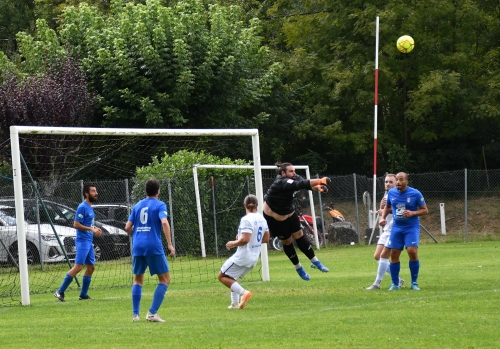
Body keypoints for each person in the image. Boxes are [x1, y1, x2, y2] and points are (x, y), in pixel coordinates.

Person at [263, 162, 330, 281]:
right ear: (283, 173)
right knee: (287, 241)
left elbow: (307, 185)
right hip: (276, 219)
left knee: (300, 235)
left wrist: (319, 188)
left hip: (290, 213)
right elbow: (301, 184)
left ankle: (315, 261)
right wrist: (320, 180)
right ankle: (298, 267)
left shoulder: (294, 178)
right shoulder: (281, 182)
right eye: (291, 171)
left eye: (294, 171)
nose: (294, 173)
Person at [125, 179, 175, 322]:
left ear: (146, 191)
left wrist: (136, 236)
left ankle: (135, 315)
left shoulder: (138, 205)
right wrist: (170, 245)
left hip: (138, 246)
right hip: (153, 246)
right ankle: (152, 313)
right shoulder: (160, 205)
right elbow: (164, 222)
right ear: (158, 191)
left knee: (138, 279)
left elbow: (127, 227)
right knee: (165, 280)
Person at [218, 194, 270, 309]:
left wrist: (233, 243)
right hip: (254, 257)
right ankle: (235, 303)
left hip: (243, 256)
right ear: (257, 205)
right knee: (232, 277)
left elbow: (245, 240)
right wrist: (243, 238)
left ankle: (244, 293)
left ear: (244, 205)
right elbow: (266, 239)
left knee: (222, 276)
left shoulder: (246, 219)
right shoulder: (262, 219)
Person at [379, 172, 428, 291]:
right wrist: (382, 218)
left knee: (412, 251)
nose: (398, 182)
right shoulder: (391, 193)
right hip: (397, 227)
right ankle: (395, 284)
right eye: (397, 180)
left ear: (407, 181)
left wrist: (413, 213)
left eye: (401, 180)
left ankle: (414, 283)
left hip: (411, 227)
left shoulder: (415, 193)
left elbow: (425, 210)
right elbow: (388, 207)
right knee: (394, 253)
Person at [54, 184, 102, 302]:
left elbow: (87, 224)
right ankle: (60, 291)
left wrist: (94, 228)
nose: (96, 193)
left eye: (96, 191)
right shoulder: (82, 207)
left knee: (91, 267)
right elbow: (76, 224)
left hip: (89, 242)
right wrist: (91, 229)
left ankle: (83, 295)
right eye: (93, 191)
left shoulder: (90, 208)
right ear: (87, 194)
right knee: (78, 267)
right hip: (82, 242)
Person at [365, 174, 404, 290]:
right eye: (386, 182)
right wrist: (381, 211)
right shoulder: (386, 195)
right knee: (377, 256)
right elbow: (385, 211)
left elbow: (400, 210)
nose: (388, 184)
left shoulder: (398, 194)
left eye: (391, 182)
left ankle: (377, 284)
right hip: (386, 230)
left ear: (396, 183)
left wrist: (383, 212)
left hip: (394, 230)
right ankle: (398, 279)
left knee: (383, 256)